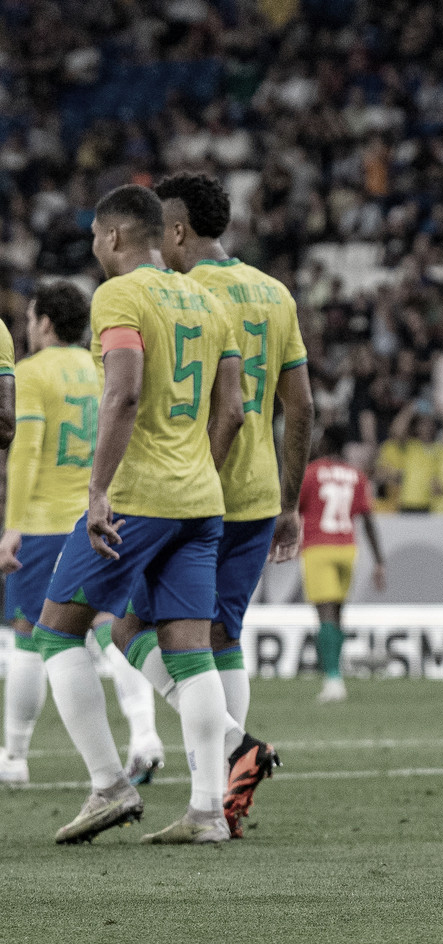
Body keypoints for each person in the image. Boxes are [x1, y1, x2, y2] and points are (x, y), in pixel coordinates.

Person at [33, 184, 244, 844]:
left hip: (137, 499)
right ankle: (208, 810)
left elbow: (122, 394)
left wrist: (98, 493)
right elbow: (233, 409)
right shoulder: (210, 301)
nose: (96, 250)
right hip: (200, 501)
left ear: (116, 238)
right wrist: (196, 473)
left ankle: (107, 785)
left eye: (97, 239)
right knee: (191, 653)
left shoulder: (119, 296)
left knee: (57, 633)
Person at [112, 171, 312, 835]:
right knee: (224, 638)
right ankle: (226, 794)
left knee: (135, 632)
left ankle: (232, 748)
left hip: (187, 492)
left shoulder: (180, 294)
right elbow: (301, 405)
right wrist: (289, 500)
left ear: (176, 229)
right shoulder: (274, 293)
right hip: (256, 495)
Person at [0, 282, 164, 787]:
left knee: (30, 636)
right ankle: (144, 736)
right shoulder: (102, 369)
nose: (28, 327)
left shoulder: (30, 373)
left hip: (46, 522)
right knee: (112, 627)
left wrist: (12, 526)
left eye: (31, 319)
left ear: (45, 322)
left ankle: (15, 758)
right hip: (103, 516)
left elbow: (24, 453)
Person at [297, 427, 387, 703]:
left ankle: (333, 680)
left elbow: (292, 507)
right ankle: (336, 676)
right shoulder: (356, 475)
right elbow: (368, 519)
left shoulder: (310, 472)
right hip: (347, 549)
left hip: (318, 547)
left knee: (324, 614)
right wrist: (379, 560)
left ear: (324, 442)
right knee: (337, 613)